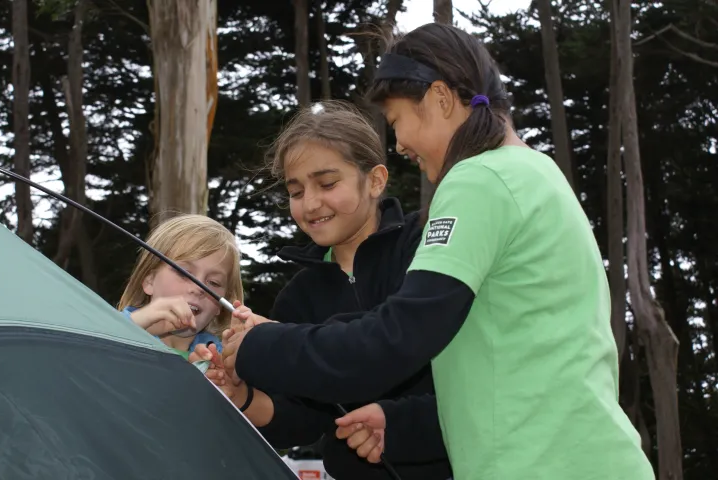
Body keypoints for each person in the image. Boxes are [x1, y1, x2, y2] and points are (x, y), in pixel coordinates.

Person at [219, 24, 655, 480]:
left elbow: (399, 334)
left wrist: (262, 344)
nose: (401, 143)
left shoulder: (478, 179)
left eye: (397, 122)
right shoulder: (536, 172)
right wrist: (397, 420)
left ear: (441, 99)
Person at [204, 100, 452, 480]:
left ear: (375, 180)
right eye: (296, 191)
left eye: (327, 183)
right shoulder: (299, 295)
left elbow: (404, 343)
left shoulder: (425, 249)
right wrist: (242, 396)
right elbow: (302, 419)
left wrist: (281, 343)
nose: (310, 204)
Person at [118, 214, 244, 360]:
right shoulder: (109, 326)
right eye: (184, 273)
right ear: (149, 281)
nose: (199, 288)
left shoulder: (222, 361)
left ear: (220, 306)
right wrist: (133, 326)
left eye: (214, 283)